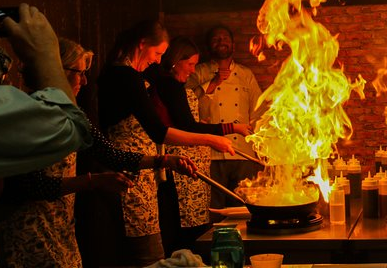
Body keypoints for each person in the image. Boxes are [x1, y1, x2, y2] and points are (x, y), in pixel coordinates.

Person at [0, 37, 199, 268]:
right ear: (55, 71)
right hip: (29, 227)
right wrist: (93, 182)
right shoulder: (28, 115)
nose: (84, 80)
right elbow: (29, 184)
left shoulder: (73, 114)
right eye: (78, 72)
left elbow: (111, 155)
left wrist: (163, 160)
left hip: (62, 226)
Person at [98, 19, 235, 266]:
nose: (158, 60)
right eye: (157, 53)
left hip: (142, 171)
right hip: (129, 174)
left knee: (147, 248)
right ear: (142, 44)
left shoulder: (129, 73)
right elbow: (159, 131)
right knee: (146, 254)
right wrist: (211, 139)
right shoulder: (125, 76)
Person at [144, 36, 243, 253]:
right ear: (175, 61)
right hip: (181, 160)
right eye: (190, 64)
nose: (192, 70)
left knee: (191, 222)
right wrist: (228, 130)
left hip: (191, 157)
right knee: (186, 228)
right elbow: (187, 126)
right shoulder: (170, 84)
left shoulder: (170, 82)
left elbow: (188, 117)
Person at [0, 4, 92, 179]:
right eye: (79, 73)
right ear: (62, 69)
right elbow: (69, 127)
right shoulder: (24, 114)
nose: (84, 81)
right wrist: (47, 55)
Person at [187, 24, 266, 212]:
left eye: (225, 38)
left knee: (244, 208)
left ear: (232, 45)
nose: (221, 42)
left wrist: (258, 143)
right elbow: (186, 103)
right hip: (210, 155)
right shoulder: (198, 72)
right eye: (216, 39)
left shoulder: (245, 74)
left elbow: (258, 110)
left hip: (243, 154)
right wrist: (212, 83)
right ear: (209, 46)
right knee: (213, 209)